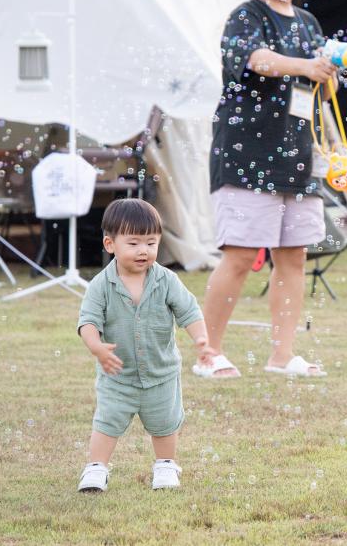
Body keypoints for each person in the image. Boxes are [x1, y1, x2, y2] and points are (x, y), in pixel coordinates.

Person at [195, 0, 339, 380]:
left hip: (298, 153)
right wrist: (305, 65)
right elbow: (257, 60)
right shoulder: (245, 16)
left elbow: (318, 89)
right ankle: (208, 354)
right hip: (247, 153)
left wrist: (330, 73)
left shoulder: (309, 23)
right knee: (240, 255)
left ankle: (282, 356)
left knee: (293, 255)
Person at [76, 199, 213, 492]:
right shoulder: (100, 285)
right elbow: (88, 322)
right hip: (118, 377)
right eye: (134, 243)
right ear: (110, 244)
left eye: (151, 243)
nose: (144, 251)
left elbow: (189, 311)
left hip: (161, 374)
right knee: (107, 422)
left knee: (165, 423)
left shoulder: (167, 280)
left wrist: (201, 339)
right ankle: (96, 467)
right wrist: (96, 346)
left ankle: (165, 465)